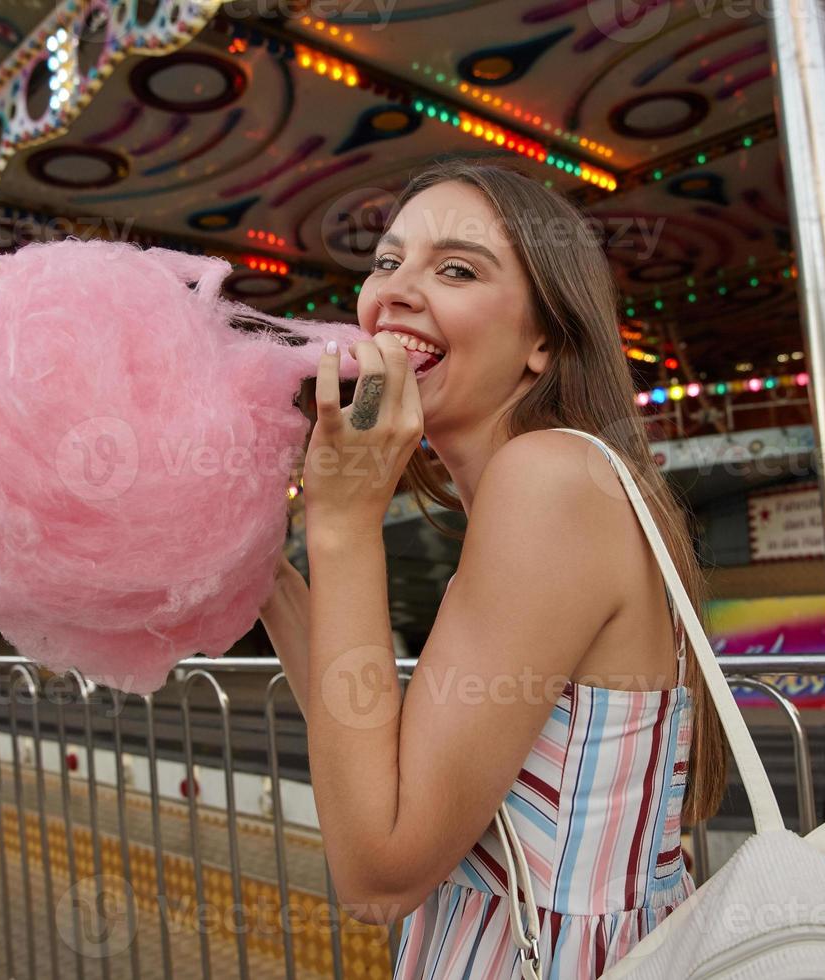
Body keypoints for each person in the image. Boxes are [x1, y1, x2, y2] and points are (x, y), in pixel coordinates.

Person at [258, 160, 726, 978]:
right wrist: (270, 580)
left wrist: (343, 523)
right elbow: (391, 766)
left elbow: (379, 874)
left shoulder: (547, 478)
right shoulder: (542, 491)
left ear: (545, 339)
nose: (395, 291)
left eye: (457, 269)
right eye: (387, 261)